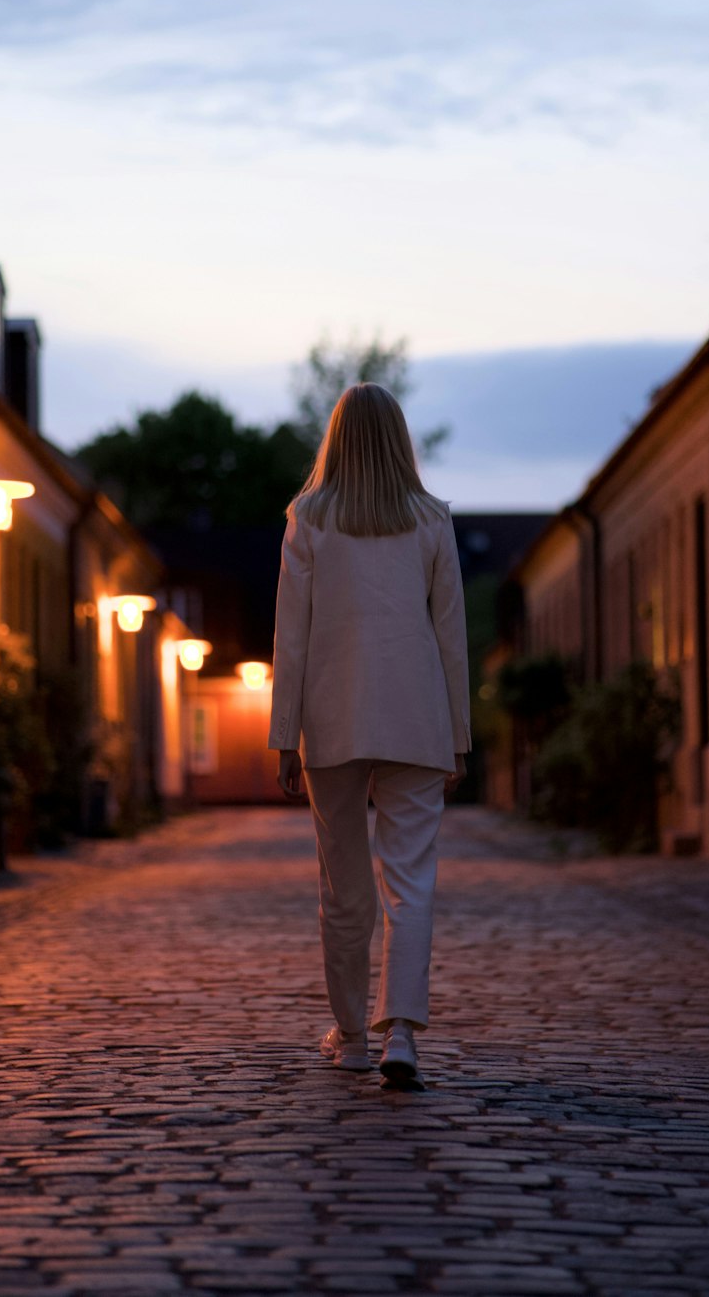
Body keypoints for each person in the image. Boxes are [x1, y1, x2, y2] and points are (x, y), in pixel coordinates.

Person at [268, 382, 470, 1087]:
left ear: (336, 438)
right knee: (410, 883)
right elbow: (451, 637)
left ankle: (353, 1035)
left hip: (331, 719)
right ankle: (403, 1034)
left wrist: (284, 733)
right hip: (417, 719)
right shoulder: (432, 520)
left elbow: (290, 639)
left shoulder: (309, 518)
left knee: (343, 885)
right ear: (400, 439)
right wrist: (459, 733)